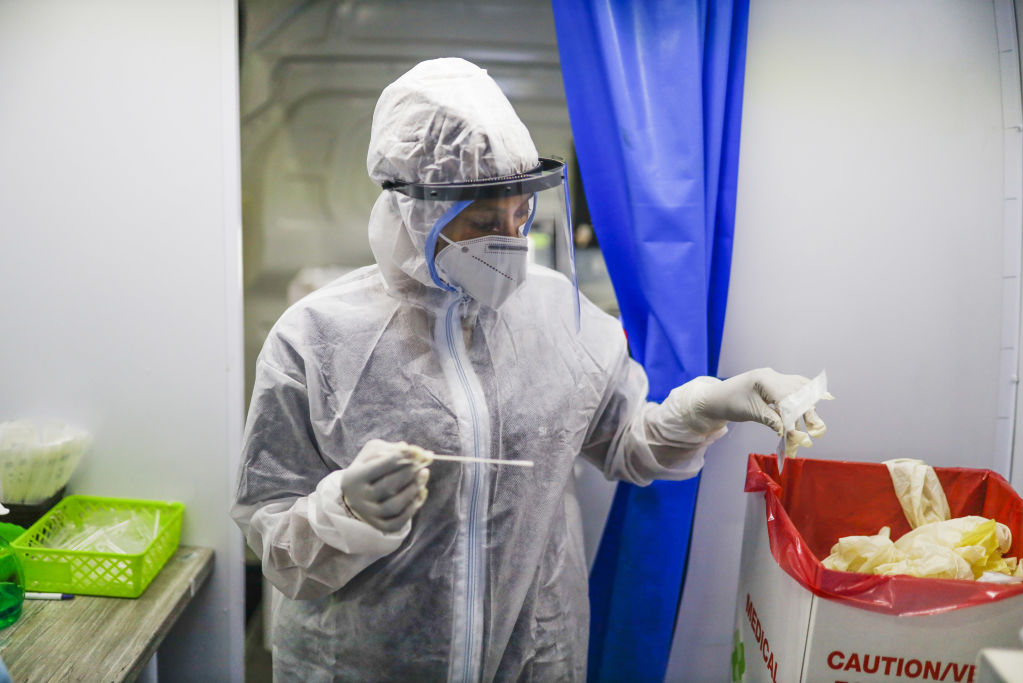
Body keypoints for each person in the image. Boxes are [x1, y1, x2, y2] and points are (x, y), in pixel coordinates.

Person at [232, 57, 826, 682]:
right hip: (367, 663)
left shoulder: (559, 318)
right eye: (485, 222)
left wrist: (708, 405)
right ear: (415, 212)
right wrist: (345, 510)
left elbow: (626, 445)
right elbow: (274, 538)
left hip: (534, 659)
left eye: (518, 217)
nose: (510, 242)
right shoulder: (316, 339)